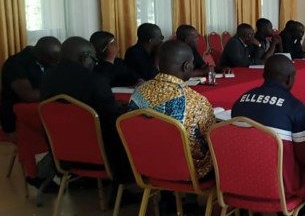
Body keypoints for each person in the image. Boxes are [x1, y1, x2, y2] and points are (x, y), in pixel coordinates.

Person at [231, 54, 305, 216]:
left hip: (234, 181)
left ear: (263, 74)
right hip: (276, 186)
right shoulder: (295, 107)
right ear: (290, 79)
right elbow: (304, 158)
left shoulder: (240, 101)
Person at [40, 37, 133, 191]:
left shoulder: (47, 77)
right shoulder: (95, 81)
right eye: (93, 60)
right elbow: (114, 118)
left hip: (63, 155)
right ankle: (128, 189)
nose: (94, 64)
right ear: (84, 57)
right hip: (102, 157)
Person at [129, 40, 214, 178]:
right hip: (188, 172)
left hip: (145, 164)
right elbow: (211, 137)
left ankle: (167, 197)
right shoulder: (196, 101)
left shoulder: (138, 92)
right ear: (187, 66)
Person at [1, 37, 62, 133]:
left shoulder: (48, 59)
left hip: (41, 113)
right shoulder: (16, 64)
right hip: (17, 119)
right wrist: (61, 90)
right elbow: (29, 96)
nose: (55, 64)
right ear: (40, 55)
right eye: (52, 60)